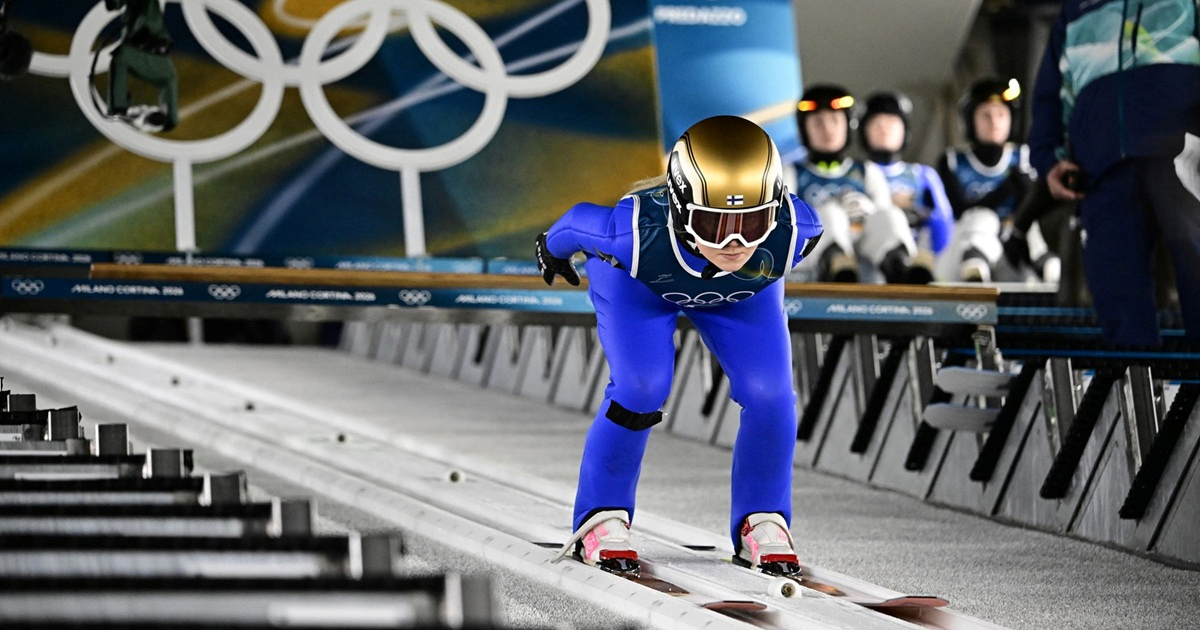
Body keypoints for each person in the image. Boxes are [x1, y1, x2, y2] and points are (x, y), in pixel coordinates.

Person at [537, 115, 823, 577]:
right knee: (641, 388)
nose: (734, 242)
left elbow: (570, 227)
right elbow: (574, 224)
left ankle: (763, 516)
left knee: (772, 396)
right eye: (715, 224)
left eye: (753, 223)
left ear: (775, 211)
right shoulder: (631, 234)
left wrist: (549, 249)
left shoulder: (795, 228)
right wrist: (551, 248)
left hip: (743, 292)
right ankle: (600, 514)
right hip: (640, 284)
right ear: (678, 209)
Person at [1029, 0, 1200, 346]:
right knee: (1116, 289)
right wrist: (1049, 160)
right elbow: (1050, 96)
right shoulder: (1076, 10)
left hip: (1185, 156)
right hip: (1101, 169)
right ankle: (1133, 393)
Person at [788, 84, 927, 284]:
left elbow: (883, 216)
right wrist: (833, 210)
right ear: (804, 129)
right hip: (813, 263)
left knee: (891, 215)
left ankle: (900, 267)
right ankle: (836, 264)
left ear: (848, 126)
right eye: (818, 122)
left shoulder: (867, 171)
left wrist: (864, 211)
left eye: (835, 121)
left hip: (866, 259)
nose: (827, 129)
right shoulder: (792, 173)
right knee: (828, 215)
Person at [935, 78, 1058, 283]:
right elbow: (959, 210)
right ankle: (974, 267)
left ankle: (1049, 268)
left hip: (1014, 254)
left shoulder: (1025, 158)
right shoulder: (953, 162)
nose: (994, 122)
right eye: (985, 115)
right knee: (982, 218)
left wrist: (1028, 191)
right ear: (970, 120)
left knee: (1032, 224)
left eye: (1001, 115)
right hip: (962, 252)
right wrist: (1008, 187)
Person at [859, 90, 952, 282]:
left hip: (920, 263)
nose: (884, 130)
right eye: (876, 124)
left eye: (892, 123)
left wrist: (924, 216)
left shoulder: (923, 175)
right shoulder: (856, 173)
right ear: (863, 131)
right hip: (869, 267)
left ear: (905, 130)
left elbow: (945, 226)